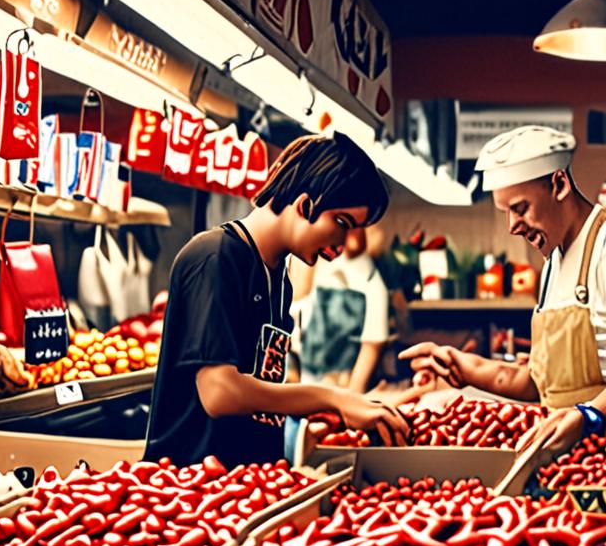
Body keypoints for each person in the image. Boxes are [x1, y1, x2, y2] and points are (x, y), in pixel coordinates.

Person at [401, 125, 606, 454]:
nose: (512, 226)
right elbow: (540, 383)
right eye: (506, 213)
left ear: (559, 184)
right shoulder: (553, 265)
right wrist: (460, 365)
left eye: (520, 208)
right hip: (579, 457)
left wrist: (589, 416)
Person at [144, 132, 408, 467]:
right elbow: (219, 392)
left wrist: (321, 414)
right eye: (342, 222)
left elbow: (261, 390)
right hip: (189, 485)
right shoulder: (216, 257)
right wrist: (332, 399)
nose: (341, 245)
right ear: (306, 204)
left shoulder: (279, 278)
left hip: (249, 482)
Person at [291, 223, 390, 393]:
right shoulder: (318, 265)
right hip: (304, 381)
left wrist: (354, 392)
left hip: (340, 388)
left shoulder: (371, 283)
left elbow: (372, 346)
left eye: (356, 225)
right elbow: (294, 315)